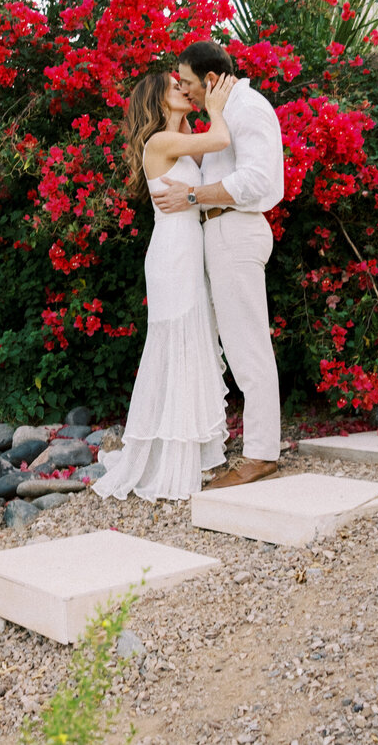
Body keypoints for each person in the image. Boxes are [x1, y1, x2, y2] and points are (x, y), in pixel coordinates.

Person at [94, 70, 235, 502]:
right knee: (177, 344)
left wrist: (200, 117)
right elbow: (222, 141)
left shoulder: (180, 138)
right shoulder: (159, 143)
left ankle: (187, 451)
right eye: (177, 87)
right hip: (173, 252)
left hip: (189, 248)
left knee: (192, 341)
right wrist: (215, 110)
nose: (185, 89)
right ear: (159, 101)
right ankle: (169, 461)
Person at [152, 41, 284, 488]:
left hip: (235, 229)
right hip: (219, 231)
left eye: (187, 82)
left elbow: (257, 181)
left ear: (208, 80)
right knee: (236, 341)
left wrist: (192, 196)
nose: (183, 91)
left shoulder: (247, 108)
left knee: (248, 345)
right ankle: (253, 450)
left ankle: (262, 455)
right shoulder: (223, 111)